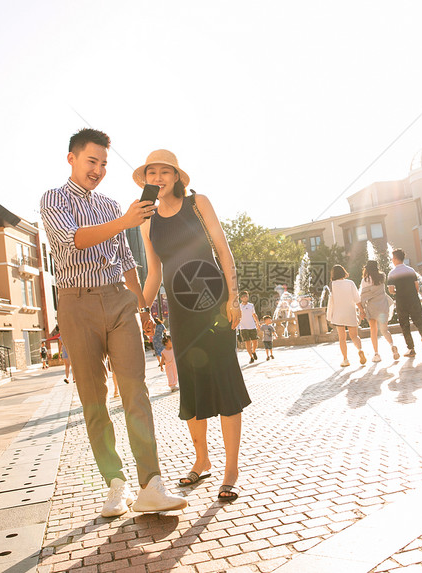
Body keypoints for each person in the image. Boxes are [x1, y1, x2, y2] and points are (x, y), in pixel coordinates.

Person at [40, 129, 186, 517]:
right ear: (71, 159)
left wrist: (142, 308)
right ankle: (115, 485)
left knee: (136, 389)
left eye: (104, 163)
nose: (99, 170)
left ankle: (151, 484)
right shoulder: (53, 199)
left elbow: (126, 261)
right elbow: (74, 240)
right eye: (92, 161)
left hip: (119, 302)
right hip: (76, 304)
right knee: (94, 399)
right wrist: (124, 222)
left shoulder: (111, 204)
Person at [137, 149, 251, 502]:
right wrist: (142, 308)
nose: (157, 178)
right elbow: (154, 271)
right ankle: (202, 460)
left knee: (224, 380)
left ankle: (231, 468)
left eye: (164, 171)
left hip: (214, 304)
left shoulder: (197, 203)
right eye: (150, 173)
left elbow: (223, 249)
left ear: (176, 176)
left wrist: (233, 298)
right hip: (181, 312)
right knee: (191, 383)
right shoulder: (146, 220)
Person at [386, 248, 422, 357]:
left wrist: (399, 291)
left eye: (393, 258)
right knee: (419, 320)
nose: (392, 260)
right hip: (413, 299)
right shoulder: (411, 270)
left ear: (396, 259)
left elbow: (391, 290)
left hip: (401, 301)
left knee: (404, 324)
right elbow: (417, 287)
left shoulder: (392, 273)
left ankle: (411, 349)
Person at [326, 264, 366, 367]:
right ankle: (360, 350)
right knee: (354, 336)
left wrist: (329, 315)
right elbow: (357, 299)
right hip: (350, 312)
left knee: (342, 338)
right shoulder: (350, 283)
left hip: (339, 314)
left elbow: (331, 301)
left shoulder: (332, 284)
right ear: (344, 272)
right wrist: (361, 310)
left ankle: (345, 359)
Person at [360, 260, 399, 362]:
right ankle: (392, 346)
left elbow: (363, 296)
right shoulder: (382, 277)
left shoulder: (365, 280)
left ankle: (377, 354)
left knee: (373, 330)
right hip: (383, 307)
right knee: (384, 330)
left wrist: (362, 310)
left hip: (372, 308)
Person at [237, 291, 260, 363]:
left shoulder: (251, 305)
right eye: (244, 297)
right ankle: (251, 357)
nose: (245, 298)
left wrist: (257, 323)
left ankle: (253, 352)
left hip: (252, 326)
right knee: (247, 343)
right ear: (241, 298)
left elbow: (254, 314)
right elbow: (238, 317)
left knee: (255, 342)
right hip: (243, 327)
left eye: (246, 296)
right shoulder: (239, 306)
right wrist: (237, 327)